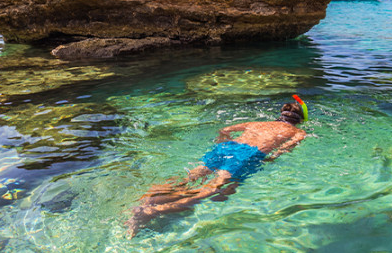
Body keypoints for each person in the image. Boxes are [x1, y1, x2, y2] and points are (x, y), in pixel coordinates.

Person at [126, 96, 309, 236]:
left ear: (281, 115)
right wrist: (269, 159)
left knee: (189, 177)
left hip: (226, 147)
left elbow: (225, 130)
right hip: (247, 155)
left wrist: (222, 144)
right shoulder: (298, 132)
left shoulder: (258, 123)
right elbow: (283, 151)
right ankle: (152, 212)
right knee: (210, 190)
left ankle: (148, 199)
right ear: (299, 120)